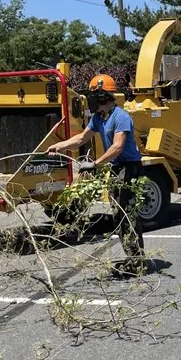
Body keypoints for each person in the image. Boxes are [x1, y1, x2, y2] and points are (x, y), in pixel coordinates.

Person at [48, 76, 146, 272]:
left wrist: (95, 164)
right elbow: (81, 138)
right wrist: (59, 146)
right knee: (119, 214)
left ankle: (137, 261)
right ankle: (133, 258)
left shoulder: (121, 117)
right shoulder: (99, 118)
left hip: (129, 167)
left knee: (127, 214)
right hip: (117, 167)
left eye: (92, 96)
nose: (89, 100)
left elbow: (118, 147)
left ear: (102, 96)